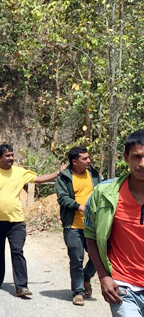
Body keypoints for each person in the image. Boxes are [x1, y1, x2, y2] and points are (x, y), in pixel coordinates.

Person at [0, 143, 66, 296]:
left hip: (16, 221)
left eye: (12, 155)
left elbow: (38, 179)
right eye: (8, 156)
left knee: (17, 251)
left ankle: (21, 286)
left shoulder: (19, 172)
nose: (11, 158)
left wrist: (57, 173)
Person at [85, 130, 144, 316]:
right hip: (124, 287)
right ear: (126, 157)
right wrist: (103, 276)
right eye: (137, 156)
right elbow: (91, 235)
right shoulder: (104, 193)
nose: (142, 164)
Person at [55, 146, 101, 306]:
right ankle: (78, 292)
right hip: (73, 225)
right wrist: (80, 206)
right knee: (76, 259)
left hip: (93, 225)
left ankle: (86, 276)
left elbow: (101, 192)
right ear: (75, 162)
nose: (89, 161)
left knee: (101, 255)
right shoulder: (64, 177)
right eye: (85, 159)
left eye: (88, 157)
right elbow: (62, 198)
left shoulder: (94, 174)